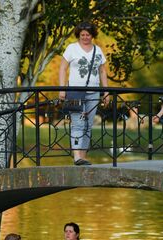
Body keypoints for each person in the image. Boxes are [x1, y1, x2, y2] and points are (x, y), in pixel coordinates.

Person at [59, 21, 109, 166]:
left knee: (88, 125)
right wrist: (62, 89)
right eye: (82, 35)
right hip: (74, 92)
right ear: (78, 35)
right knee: (78, 124)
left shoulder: (97, 50)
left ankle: (83, 156)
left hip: (94, 92)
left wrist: (106, 92)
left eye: (88, 35)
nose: (85, 37)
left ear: (92, 35)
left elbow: (102, 71)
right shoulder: (71, 48)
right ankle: (76, 156)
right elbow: (62, 68)